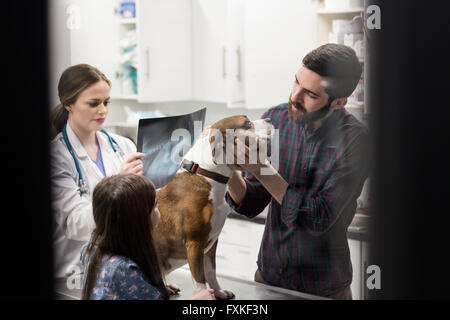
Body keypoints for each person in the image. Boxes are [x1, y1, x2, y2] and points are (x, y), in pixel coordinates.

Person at [225, 44, 369, 299]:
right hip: (269, 276)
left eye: (311, 95)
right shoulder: (276, 119)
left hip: (323, 288)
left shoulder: (357, 141)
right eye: (296, 83)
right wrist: (228, 169)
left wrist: (261, 168)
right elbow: (250, 203)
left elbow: (318, 217)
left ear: (338, 102)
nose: (295, 97)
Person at [50, 64, 146, 279]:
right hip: (75, 274)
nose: (103, 110)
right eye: (94, 103)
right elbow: (76, 225)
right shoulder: (56, 158)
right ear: (68, 104)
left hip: (117, 269)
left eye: (106, 102)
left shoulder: (123, 147)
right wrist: (118, 185)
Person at [81, 174, 215, 300]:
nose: (160, 210)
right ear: (141, 218)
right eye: (156, 205)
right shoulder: (124, 270)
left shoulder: (90, 249)